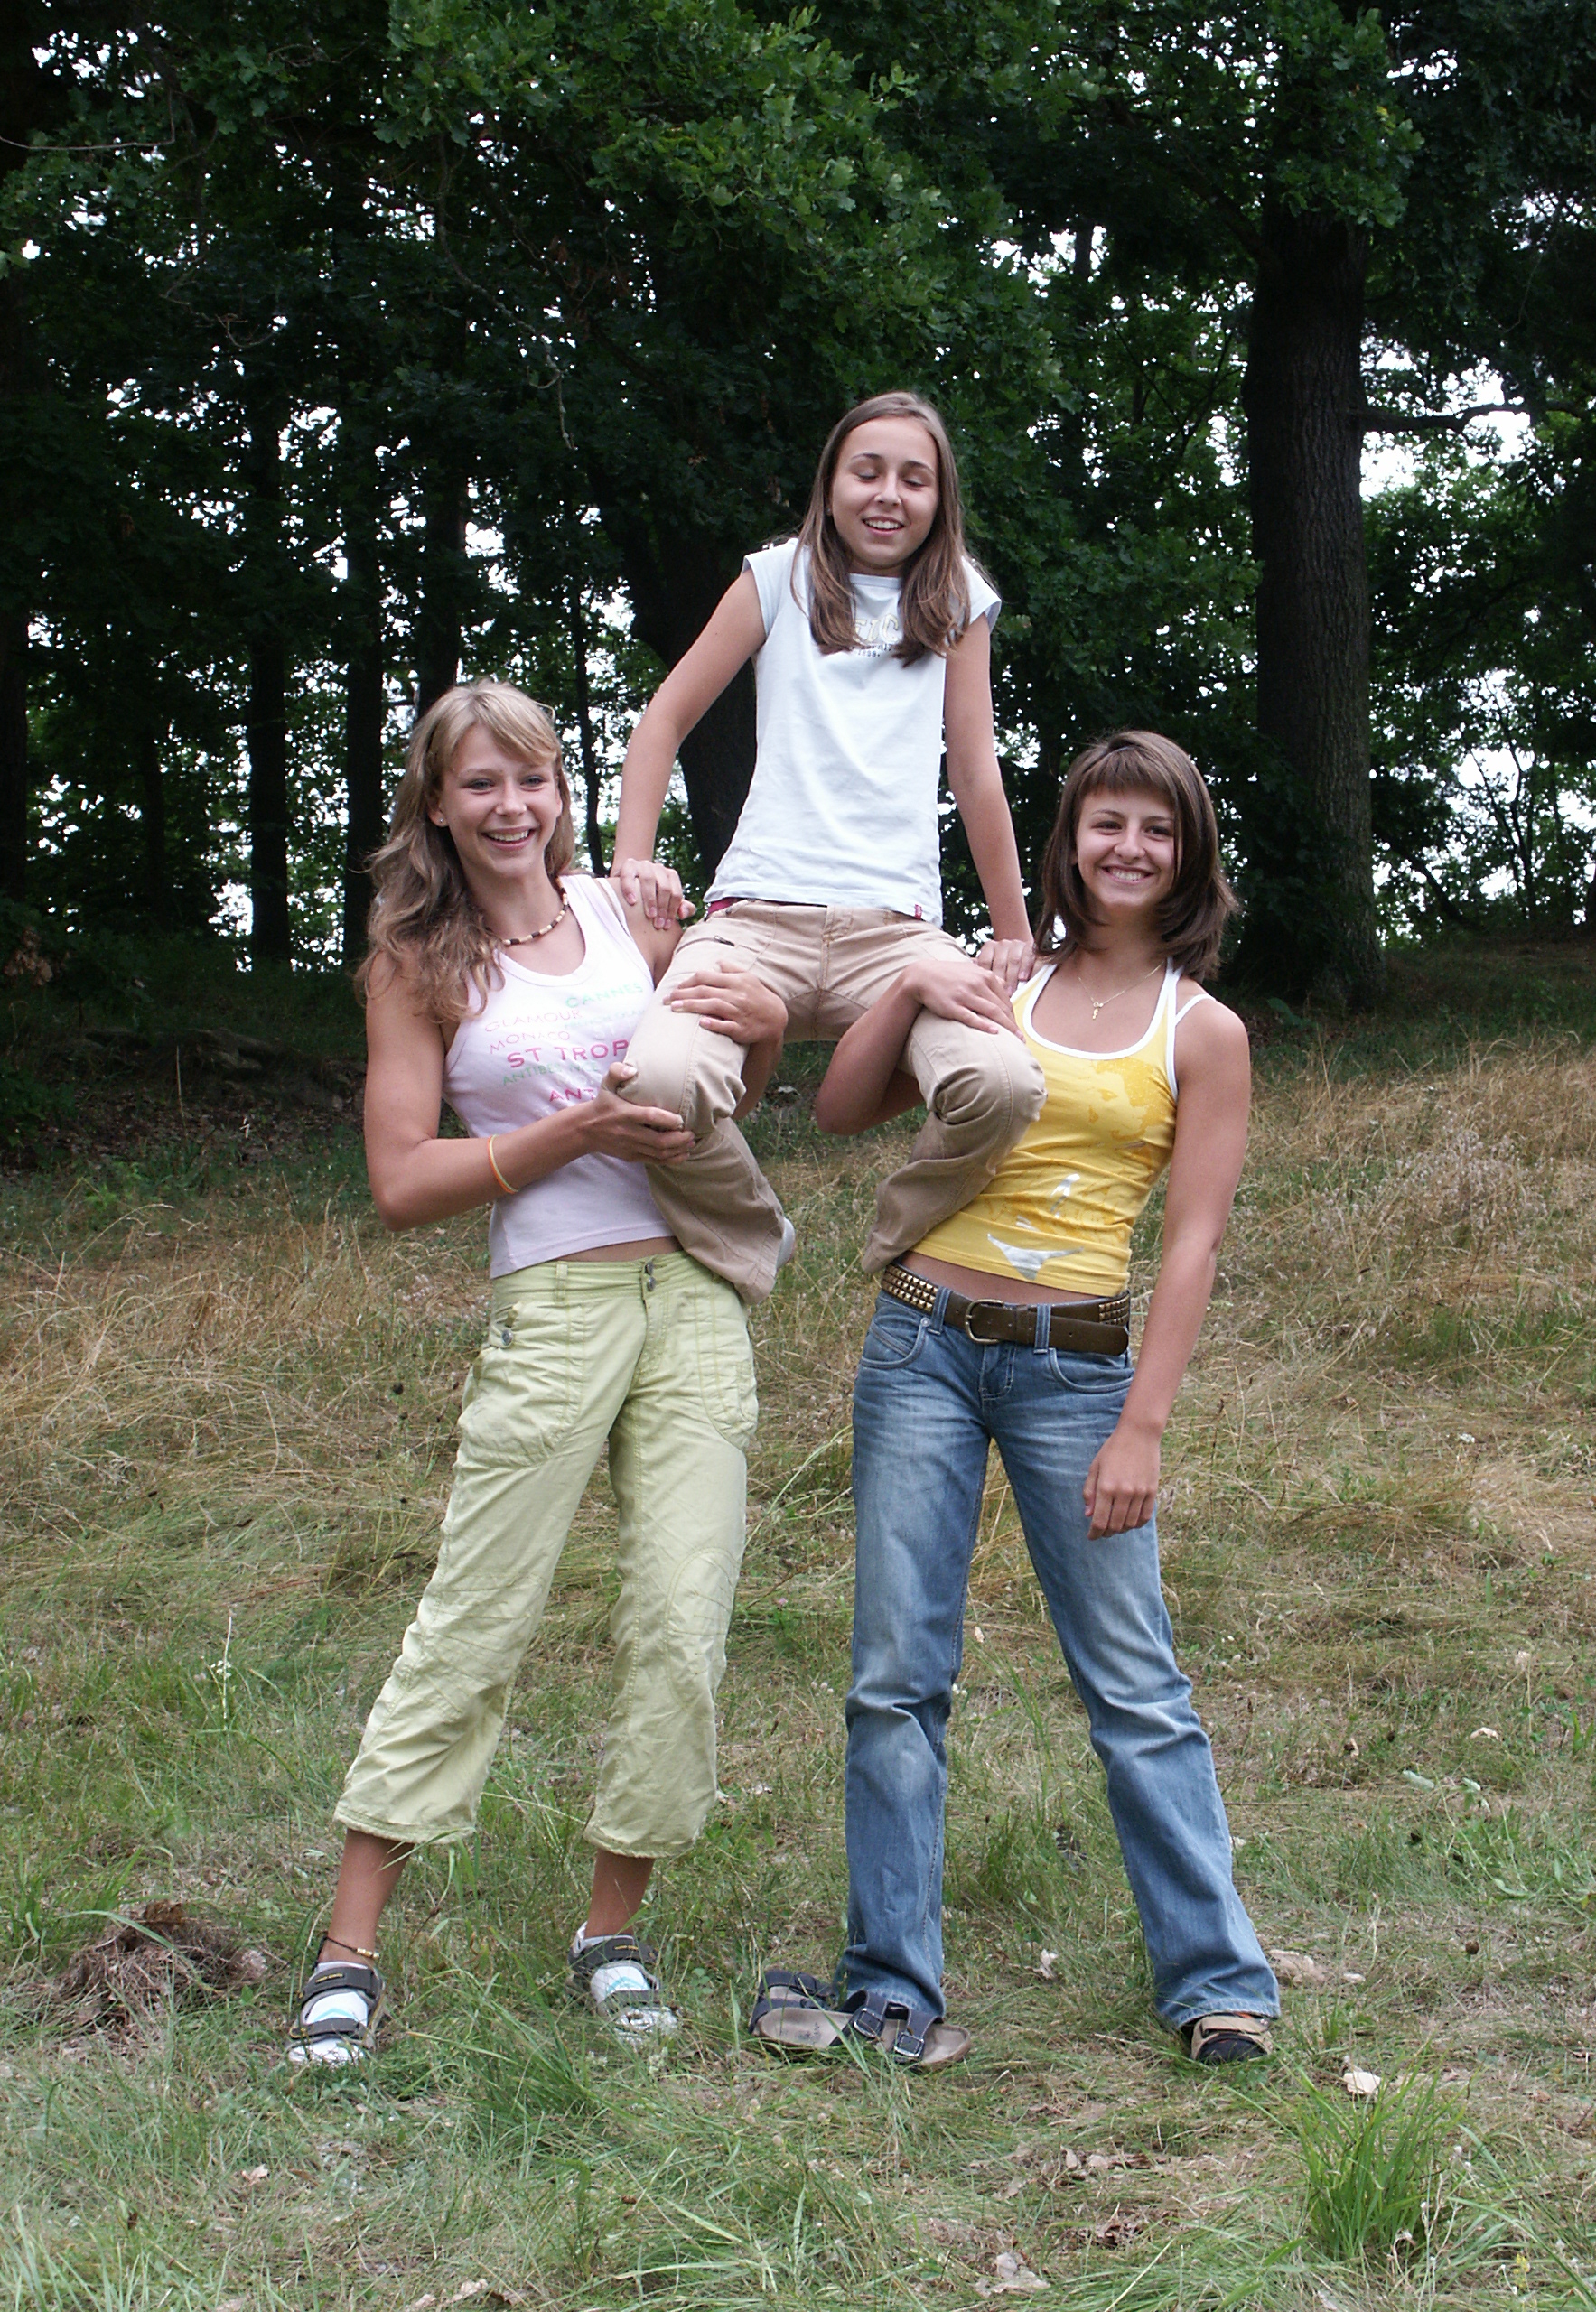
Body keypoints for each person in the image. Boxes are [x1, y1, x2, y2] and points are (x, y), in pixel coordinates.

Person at [750, 732, 1280, 2070]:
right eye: (1107, 823)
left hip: (1077, 1370)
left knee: (1134, 1682)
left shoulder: (1202, 1031)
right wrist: (913, 979)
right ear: (1069, 840)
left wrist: (1142, 1426)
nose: (1129, 849)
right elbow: (840, 1108)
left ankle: (1219, 1983)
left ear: (1189, 854)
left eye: (1157, 829)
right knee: (895, 1677)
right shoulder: (1003, 981)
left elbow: (1193, 1243)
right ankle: (892, 1987)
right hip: (922, 1345)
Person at [287, 681, 788, 2066]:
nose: (513, 807)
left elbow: (722, 1090)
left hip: (691, 1295)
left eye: (536, 779)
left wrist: (764, 1029)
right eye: (482, 784)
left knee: (682, 1624)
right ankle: (348, 1953)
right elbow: (402, 1181)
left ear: (564, 793)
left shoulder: (632, 919)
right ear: (437, 806)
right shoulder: (417, 964)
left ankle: (610, 1934)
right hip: (556, 1305)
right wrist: (570, 1135)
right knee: (477, 1616)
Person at [606, 390, 1047, 1300]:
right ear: (831, 484)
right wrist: (632, 859)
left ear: (940, 499)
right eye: (867, 471)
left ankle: (897, 1235)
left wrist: (1012, 929)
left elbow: (975, 772)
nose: (888, 494)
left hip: (898, 936)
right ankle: (755, 1233)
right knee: (653, 1084)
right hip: (753, 924)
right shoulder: (778, 577)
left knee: (1005, 1085)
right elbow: (665, 718)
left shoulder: (959, 598)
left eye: (914, 479)